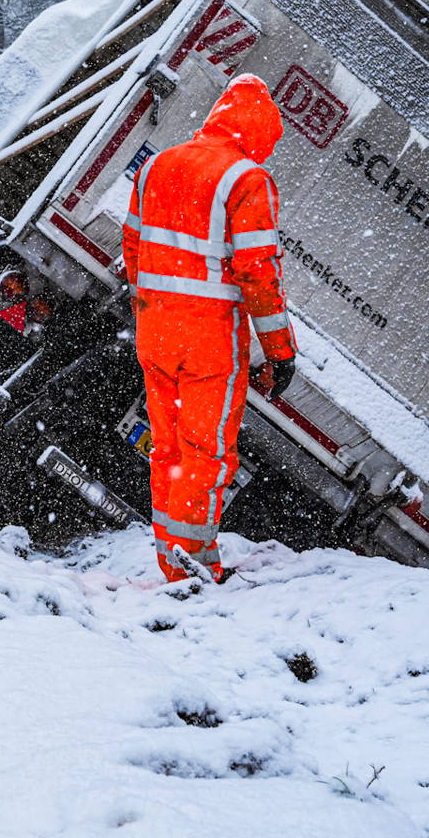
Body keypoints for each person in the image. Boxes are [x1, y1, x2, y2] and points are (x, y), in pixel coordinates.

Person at [121, 73, 297, 583]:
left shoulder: (158, 165)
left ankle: (169, 560)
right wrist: (280, 352)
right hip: (210, 344)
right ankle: (193, 568)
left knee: (168, 450)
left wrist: (153, 308)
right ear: (260, 134)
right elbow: (258, 273)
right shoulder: (246, 181)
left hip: (155, 335)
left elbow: (132, 248)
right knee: (206, 453)